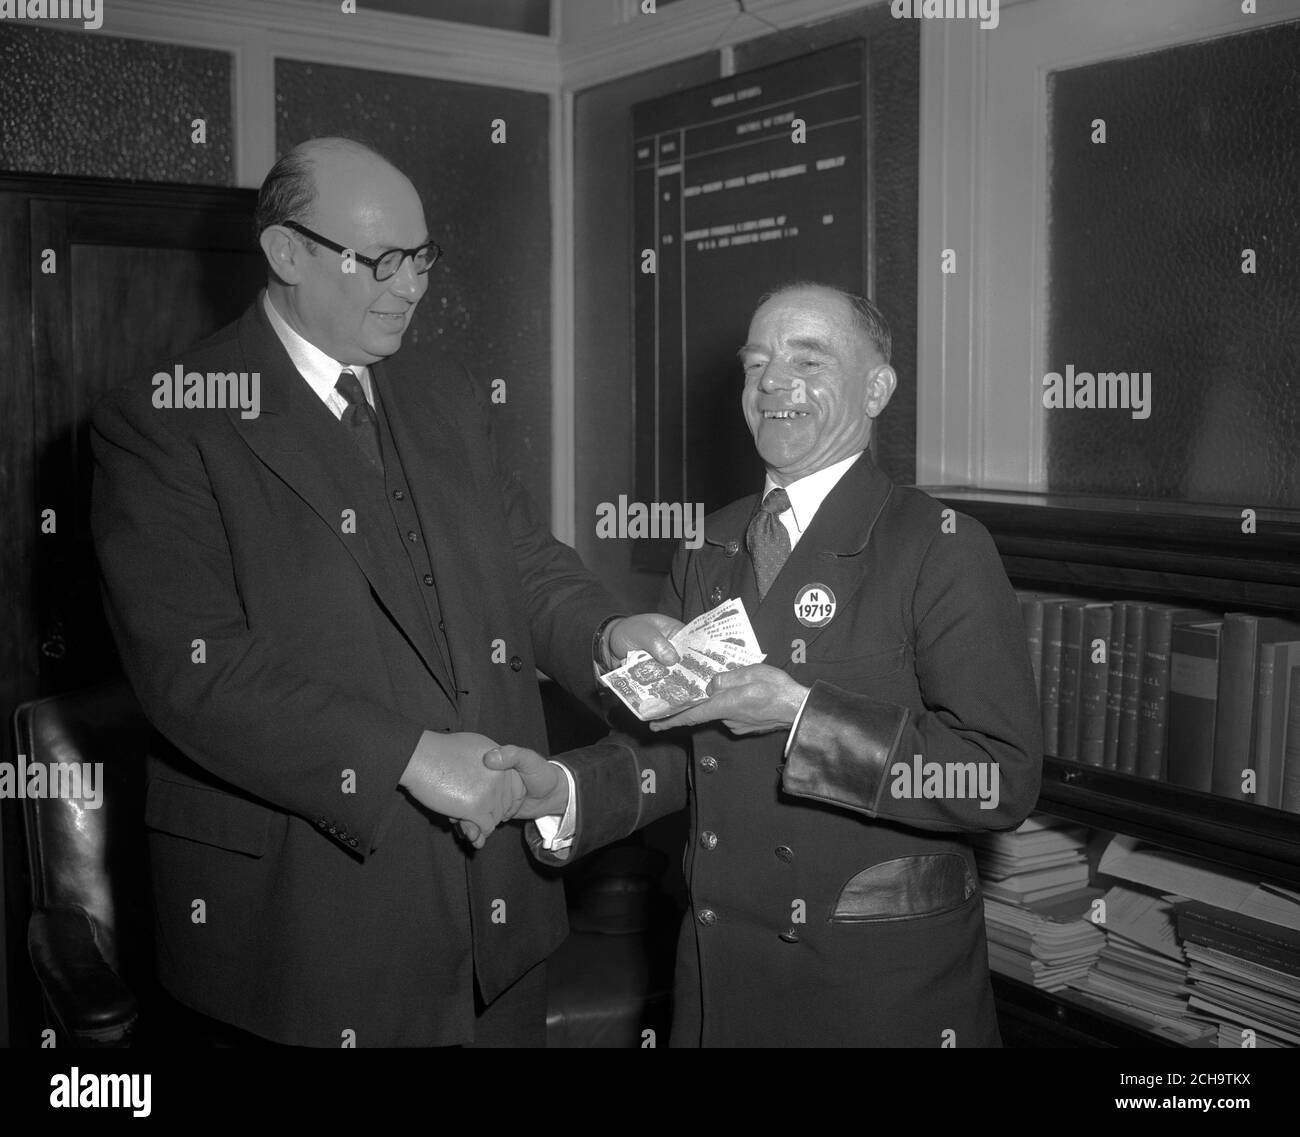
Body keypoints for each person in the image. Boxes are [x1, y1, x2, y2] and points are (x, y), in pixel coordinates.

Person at [90, 137, 677, 1047]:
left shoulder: (444, 391)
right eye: (382, 261)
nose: (413, 286)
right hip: (310, 938)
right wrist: (406, 755)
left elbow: (521, 561)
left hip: (499, 924)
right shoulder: (166, 420)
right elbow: (193, 672)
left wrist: (606, 633)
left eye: (424, 256)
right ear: (286, 252)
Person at [493, 282, 1044, 1047]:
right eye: (757, 365)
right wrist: (568, 789)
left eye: (807, 360)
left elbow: (997, 777)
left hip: (875, 996)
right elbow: (678, 749)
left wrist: (803, 719)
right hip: (720, 981)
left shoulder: (938, 545)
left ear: (877, 388)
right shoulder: (709, 547)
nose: (774, 383)